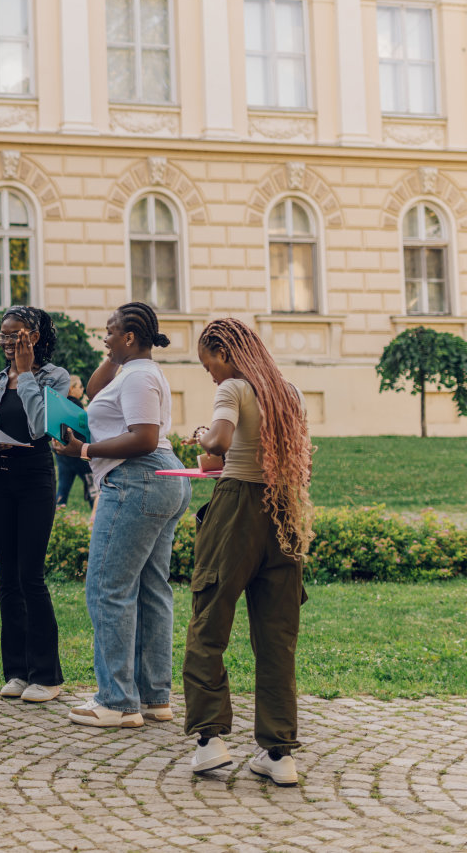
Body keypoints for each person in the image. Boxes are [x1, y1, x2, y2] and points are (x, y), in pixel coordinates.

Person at [185, 318, 313, 786]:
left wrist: (202, 435)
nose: (210, 375)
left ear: (225, 352)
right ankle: (279, 754)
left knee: (209, 622)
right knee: (277, 637)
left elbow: (218, 444)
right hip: (283, 512)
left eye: (208, 364)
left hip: (236, 507)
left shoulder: (234, 390)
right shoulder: (289, 392)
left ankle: (210, 742)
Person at [52, 302, 189, 729]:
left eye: (110, 332)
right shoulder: (133, 371)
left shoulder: (141, 376)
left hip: (136, 481)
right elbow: (94, 390)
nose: (104, 337)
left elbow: (144, 438)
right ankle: (153, 698)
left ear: (130, 337)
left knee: (108, 587)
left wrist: (85, 451)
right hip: (160, 480)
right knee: (151, 589)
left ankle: (116, 702)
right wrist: (115, 353)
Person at [0, 306, 73, 703]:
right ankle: (16, 671)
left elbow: (42, 428)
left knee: (31, 576)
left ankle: (46, 676)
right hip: (2, 478)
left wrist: (29, 374)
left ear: (34, 337)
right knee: (8, 580)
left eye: (16, 335)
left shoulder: (56, 377)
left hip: (36, 478)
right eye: (4, 335)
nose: (9, 343)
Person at [53, 375, 97, 511]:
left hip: (62, 453)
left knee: (63, 489)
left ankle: (58, 518)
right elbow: (86, 425)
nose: (82, 390)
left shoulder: (60, 404)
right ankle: (95, 515)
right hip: (78, 454)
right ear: (71, 388)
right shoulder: (75, 404)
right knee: (92, 486)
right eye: (80, 387)